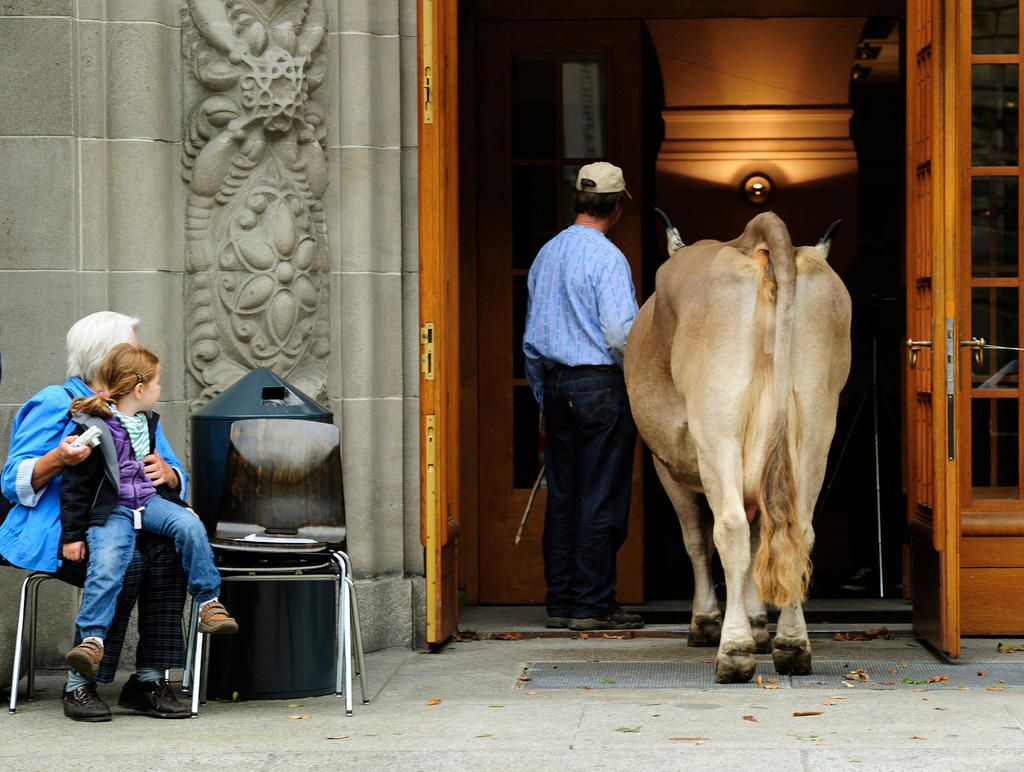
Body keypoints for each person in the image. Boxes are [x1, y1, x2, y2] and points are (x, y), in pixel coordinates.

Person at [1, 312, 190, 721]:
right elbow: (11, 481)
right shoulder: (56, 402)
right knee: (128, 560)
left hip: (129, 520)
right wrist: (58, 458)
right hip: (64, 529)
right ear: (109, 356)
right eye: (132, 346)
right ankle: (80, 683)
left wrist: (170, 473)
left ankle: (148, 681)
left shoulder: (134, 405)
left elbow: (175, 472)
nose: (140, 354)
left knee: (168, 552)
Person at [61, 343, 237, 680]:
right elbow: (75, 484)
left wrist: (181, 507)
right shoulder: (92, 427)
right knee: (108, 560)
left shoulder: (146, 423)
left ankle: (209, 603)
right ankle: (92, 640)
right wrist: (72, 535)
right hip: (112, 511)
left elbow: (150, 476)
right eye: (157, 383)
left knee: (189, 526)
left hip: (149, 503)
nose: (160, 390)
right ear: (139, 389)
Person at [522, 161, 644, 632]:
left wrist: (543, 391)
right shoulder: (608, 258)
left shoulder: (547, 253)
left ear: (580, 200)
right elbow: (620, 334)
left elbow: (533, 339)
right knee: (601, 496)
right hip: (600, 385)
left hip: (555, 385)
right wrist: (642, 378)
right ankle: (592, 605)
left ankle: (562, 602)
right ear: (617, 206)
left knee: (564, 496)